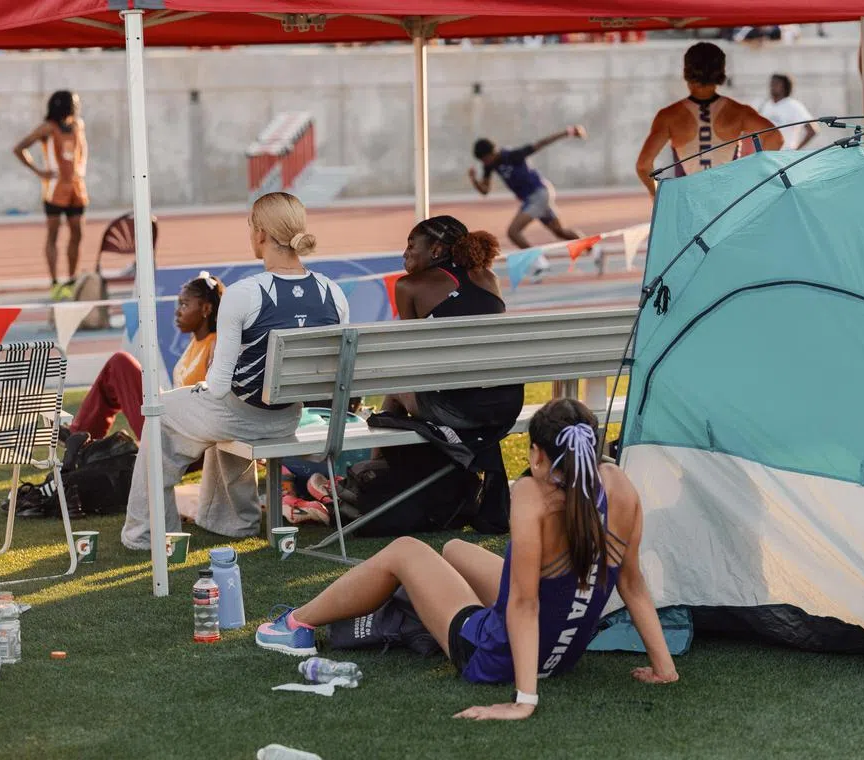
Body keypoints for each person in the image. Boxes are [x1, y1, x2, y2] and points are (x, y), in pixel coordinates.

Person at [255, 399, 678, 720]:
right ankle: (420, 600)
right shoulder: (620, 486)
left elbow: (525, 605)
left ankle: (295, 626)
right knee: (455, 551)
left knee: (407, 550)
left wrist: (523, 702)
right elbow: (633, 584)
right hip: (564, 655)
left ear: (536, 456)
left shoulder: (533, 494)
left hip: (492, 656)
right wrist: (664, 669)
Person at [120, 192, 349, 547]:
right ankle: (230, 520)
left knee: (160, 412)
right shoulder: (333, 293)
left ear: (260, 233)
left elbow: (219, 385)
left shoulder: (244, 293)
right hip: (288, 417)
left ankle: (147, 532)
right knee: (215, 414)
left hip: (242, 414)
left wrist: (192, 393)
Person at [385, 215, 523, 430]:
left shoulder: (408, 286)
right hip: (508, 403)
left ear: (436, 250)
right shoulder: (489, 277)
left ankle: (379, 462)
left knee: (395, 387)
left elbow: (411, 355)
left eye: (411, 246)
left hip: (457, 409)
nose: (405, 254)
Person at [67, 273, 224, 441]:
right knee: (116, 370)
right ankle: (79, 437)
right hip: (174, 420)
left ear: (206, 309)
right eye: (178, 305)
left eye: (184, 305)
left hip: (182, 434)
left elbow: (214, 401)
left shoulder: (216, 345)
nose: (177, 312)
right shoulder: (195, 342)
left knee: (121, 363)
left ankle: (78, 436)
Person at [636, 42, 782, 197]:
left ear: (686, 70)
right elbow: (775, 138)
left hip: (688, 206)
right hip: (728, 204)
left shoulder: (669, 116)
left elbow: (643, 166)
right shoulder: (739, 112)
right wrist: (751, 178)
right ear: (721, 71)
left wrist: (659, 197)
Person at [13, 90, 89, 298]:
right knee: (53, 234)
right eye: (74, 102)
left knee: (77, 234)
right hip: (55, 189)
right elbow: (19, 148)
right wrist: (39, 171)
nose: (77, 105)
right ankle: (55, 282)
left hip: (76, 187)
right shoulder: (48, 128)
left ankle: (72, 279)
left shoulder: (78, 125)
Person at [469, 126, 587, 250]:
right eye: (482, 161)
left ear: (493, 152)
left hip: (539, 193)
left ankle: (536, 261)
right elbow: (485, 191)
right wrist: (474, 180)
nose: (485, 163)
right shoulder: (489, 166)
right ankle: (592, 248)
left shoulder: (512, 155)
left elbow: (541, 143)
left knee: (513, 232)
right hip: (531, 199)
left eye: (486, 159)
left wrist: (568, 132)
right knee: (559, 232)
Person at [757, 74, 819, 150]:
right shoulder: (765, 105)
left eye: (776, 83)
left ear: (785, 87)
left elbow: (812, 130)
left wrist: (795, 151)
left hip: (785, 155)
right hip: (766, 153)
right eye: (771, 83)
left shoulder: (793, 105)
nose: (772, 86)